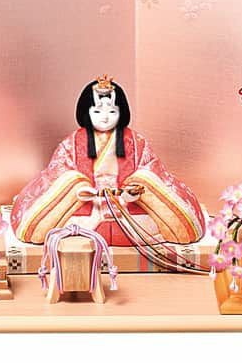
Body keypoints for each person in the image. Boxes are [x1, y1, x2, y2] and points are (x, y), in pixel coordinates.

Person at [11, 75, 206, 247]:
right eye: (97, 112)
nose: (104, 118)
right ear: (86, 113)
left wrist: (135, 189)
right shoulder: (73, 142)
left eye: (112, 112)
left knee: (150, 186)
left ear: (122, 113)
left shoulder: (135, 141)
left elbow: (152, 171)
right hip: (85, 204)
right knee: (68, 184)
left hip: (127, 205)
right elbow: (57, 173)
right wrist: (79, 188)